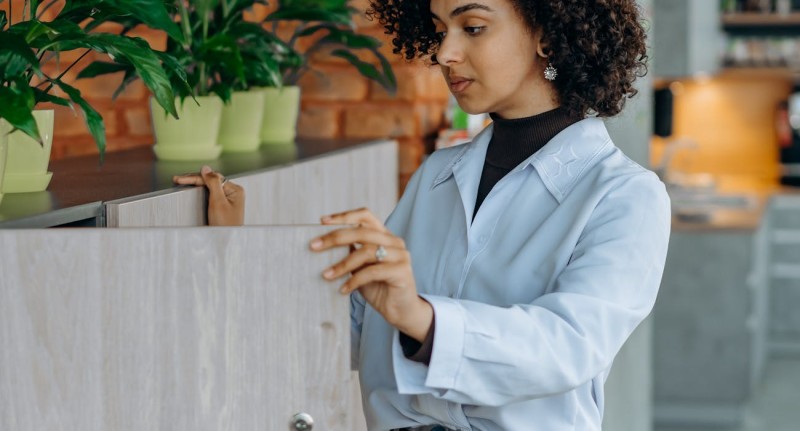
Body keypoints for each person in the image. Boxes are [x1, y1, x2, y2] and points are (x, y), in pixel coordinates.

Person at [176, 0, 670, 429]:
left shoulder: (626, 197)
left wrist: (420, 317)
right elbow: (353, 326)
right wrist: (237, 245)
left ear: (546, 35)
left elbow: (566, 348)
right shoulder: (438, 173)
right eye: (439, 31)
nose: (444, 53)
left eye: (472, 27)